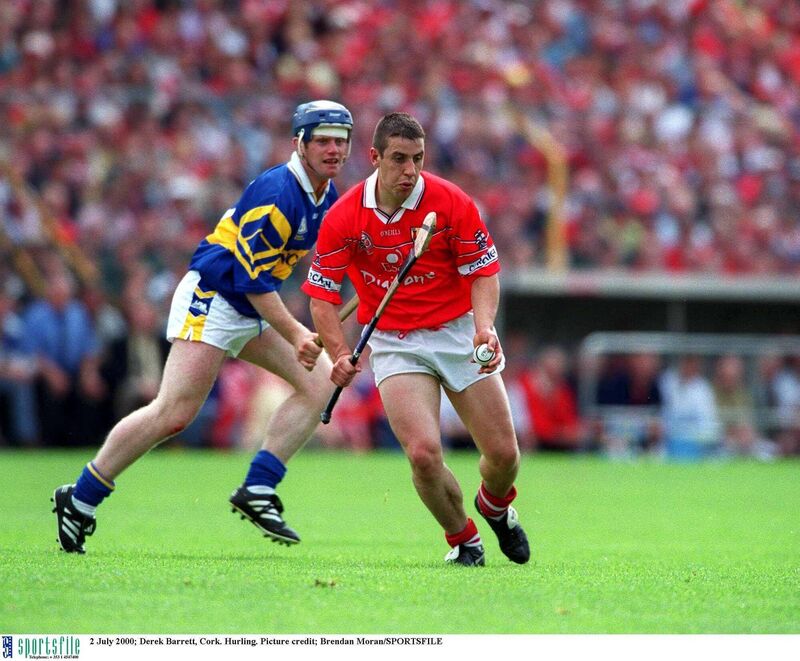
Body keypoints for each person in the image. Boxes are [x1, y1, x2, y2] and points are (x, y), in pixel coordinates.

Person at [52, 100, 354, 553]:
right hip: (213, 297)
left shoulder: (325, 197)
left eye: (340, 142)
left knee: (320, 384)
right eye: (323, 141)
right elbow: (251, 280)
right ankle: (80, 498)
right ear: (301, 144)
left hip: (250, 305)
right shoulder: (278, 192)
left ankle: (259, 487)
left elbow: (324, 262)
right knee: (173, 413)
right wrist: (296, 333)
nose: (333, 150)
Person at [302, 112, 529, 566]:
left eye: (418, 159)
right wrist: (340, 353)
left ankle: (495, 507)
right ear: (374, 158)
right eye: (400, 159)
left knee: (503, 455)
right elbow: (322, 297)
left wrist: (484, 326)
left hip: (458, 331)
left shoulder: (450, 201)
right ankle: (464, 539)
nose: (410, 171)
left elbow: (484, 273)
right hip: (394, 340)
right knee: (424, 455)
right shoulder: (345, 215)